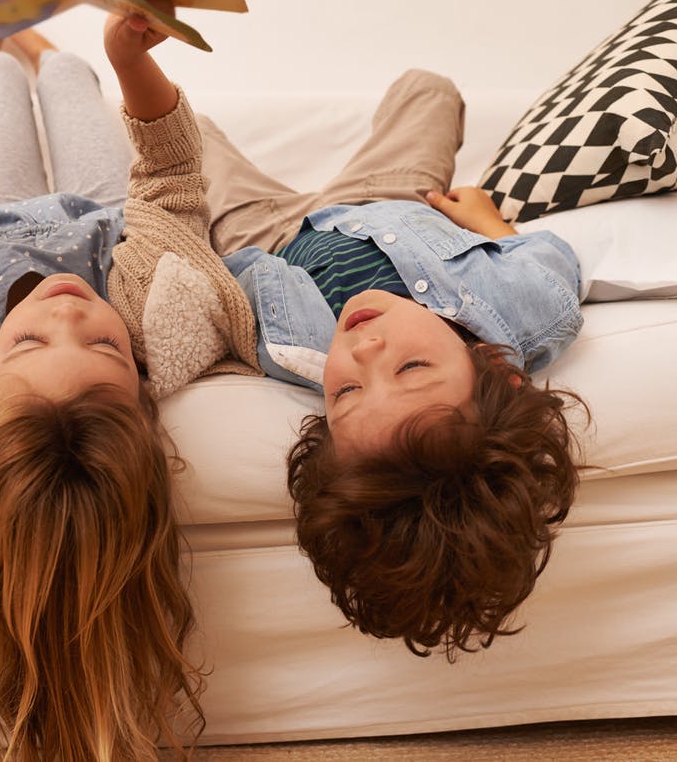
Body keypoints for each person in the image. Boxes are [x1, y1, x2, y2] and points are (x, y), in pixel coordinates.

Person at [0, 20, 260, 760]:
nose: (67, 311)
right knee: (72, 77)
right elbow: (171, 185)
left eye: (25, 342)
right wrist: (132, 63)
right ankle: (44, 47)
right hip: (108, 211)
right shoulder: (162, 312)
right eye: (105, 346)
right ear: (143, 389)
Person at [200, 69, 589, 661]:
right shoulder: (530, 312)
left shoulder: (287, 352)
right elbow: (552, 258)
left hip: (272, 230)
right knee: (430, 88)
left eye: (347, 393)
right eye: (412, 369)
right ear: (492, 367)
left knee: (187, 127)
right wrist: (488, 222)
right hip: (392, 200)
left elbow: (230, 282)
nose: (364, 352)